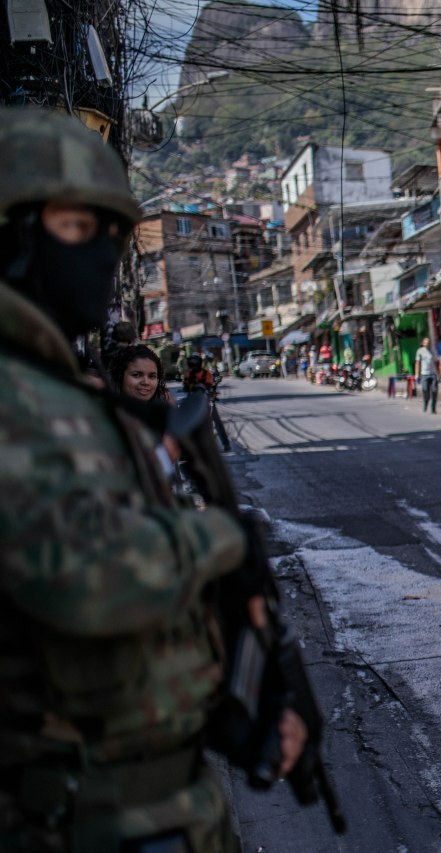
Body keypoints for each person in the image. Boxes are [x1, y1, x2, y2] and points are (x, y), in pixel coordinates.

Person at [0, 107, 306, 852]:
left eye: (113, 235)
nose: (100, 254)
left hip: (150, 802)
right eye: (78, 227)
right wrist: (220, 539)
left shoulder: (59, 387)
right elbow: (83, 576)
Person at [415, 335, 439, 414]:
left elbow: (437, 362)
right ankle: (426, 402)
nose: (427, 344)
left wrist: (439, 373)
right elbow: (417, 363)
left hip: (433, 374)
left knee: (434, 390)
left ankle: (433, 408)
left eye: (428, 343)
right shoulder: (420, 351)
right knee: (425, 390)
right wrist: (416, 374)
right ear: (423, 343)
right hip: (424, 374)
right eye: (426, 343)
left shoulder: (433, 350)